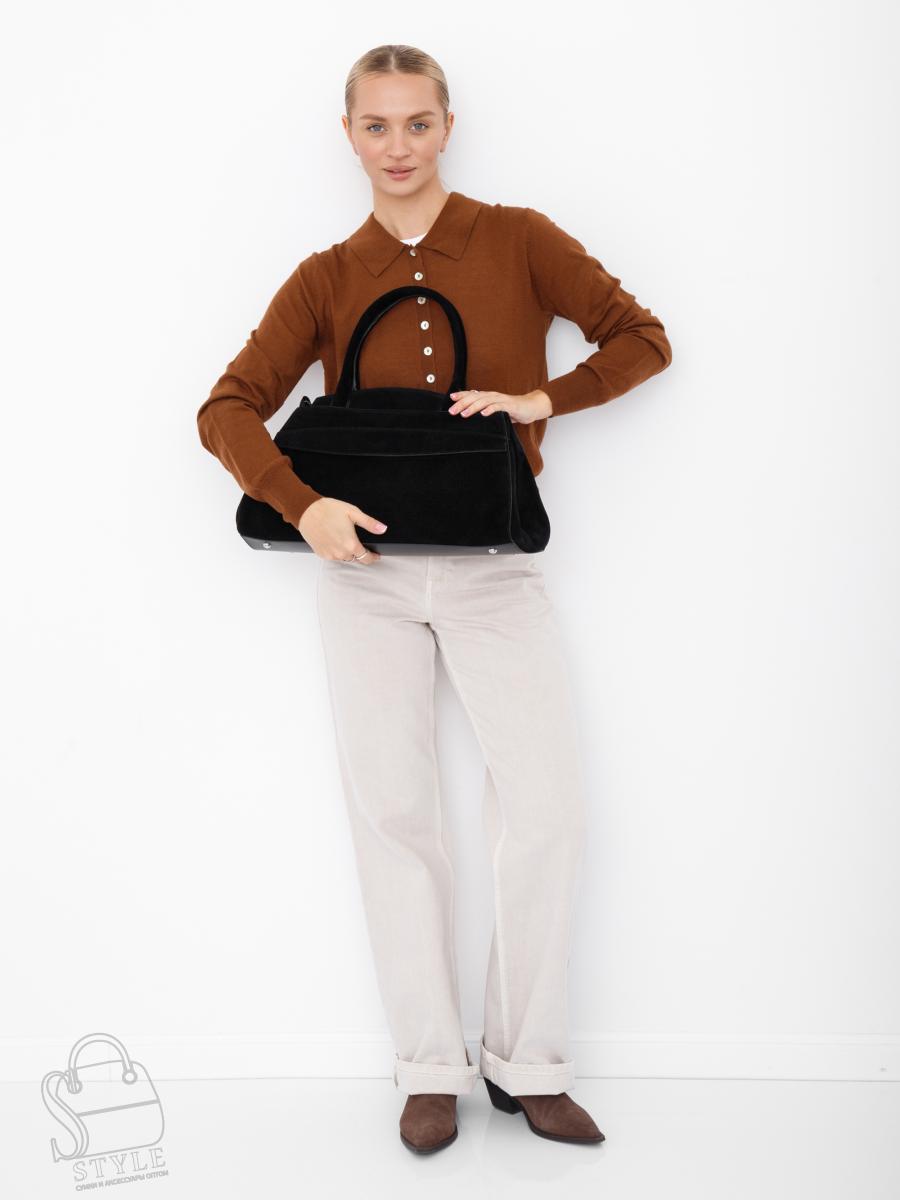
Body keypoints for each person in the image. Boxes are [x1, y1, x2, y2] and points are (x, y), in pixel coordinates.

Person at [197, 44, 672, 1154]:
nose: (398, 146)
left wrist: (538, 397)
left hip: (495, 565)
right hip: (361, 578)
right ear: (349, 136)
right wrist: (302, 505)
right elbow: (226, 408)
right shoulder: (326, 275)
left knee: (546, 808)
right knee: (396, 817)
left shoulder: (519, 238)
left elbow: (642, 338)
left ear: (448, 126)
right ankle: (427, 1067)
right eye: (377, 125)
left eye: (417, 123)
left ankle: (527, 1061)